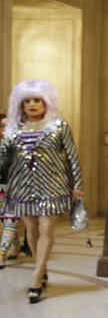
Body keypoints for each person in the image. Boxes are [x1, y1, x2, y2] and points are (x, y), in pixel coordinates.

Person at [1, 80, 84, 303]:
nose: (32, 105)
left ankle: (36, 278)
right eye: (27, 101)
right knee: (31, 229)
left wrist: (77, 185)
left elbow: (72, 156)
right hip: (21, 185)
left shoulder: (59, 126)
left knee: (46, 228)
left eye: (36, 100)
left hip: (53, 185)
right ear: (21, 104)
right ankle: (42, 267)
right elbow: (4, 159)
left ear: (46, 102)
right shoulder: (12, 128)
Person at [0, 113, 27, 268]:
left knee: (11, 219)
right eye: (3, 126)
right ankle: (14, 247)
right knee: (4, 220)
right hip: (1, 187)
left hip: (16, 187)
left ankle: (1, 254)